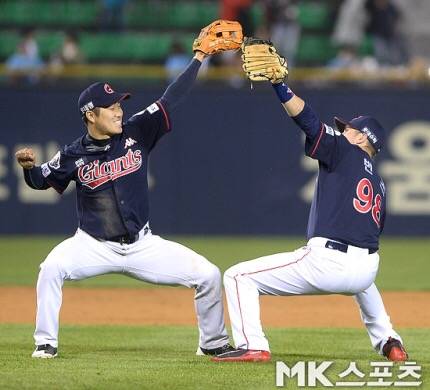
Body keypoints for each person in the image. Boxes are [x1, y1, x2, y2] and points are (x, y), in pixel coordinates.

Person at [16, 32, 234, 359]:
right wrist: (29, 168)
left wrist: (199, 58)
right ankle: (45, 343)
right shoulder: (73, 154)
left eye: (119, 104)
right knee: (51, 268)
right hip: (93, 244)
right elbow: (40, 181)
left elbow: (170, 98)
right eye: (110, 106)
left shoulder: (136, 130)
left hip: (143, 244)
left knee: (208, 274)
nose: (118, 111)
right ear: (90, 115)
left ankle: (213, 343)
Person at [212, 44, 408, 362]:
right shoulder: (380, 184)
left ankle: (254, 345)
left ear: (362, 138)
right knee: (364, 281)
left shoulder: (346, 150)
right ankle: (390, 341)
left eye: (349, 129)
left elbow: (308, 120)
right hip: (366, 266)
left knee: (237, 276)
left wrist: (279, 85)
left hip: (327, 263)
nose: (343, 131)